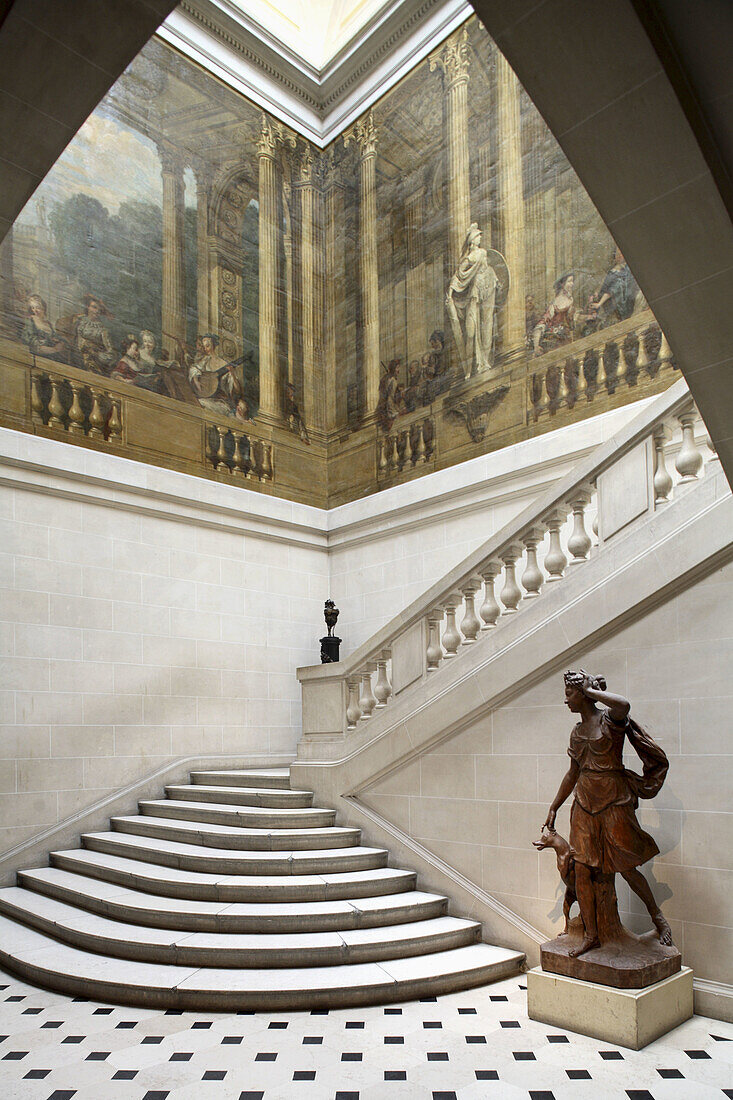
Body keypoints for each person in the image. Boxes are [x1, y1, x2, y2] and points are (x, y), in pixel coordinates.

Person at [543, 670, 673, 958]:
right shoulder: (576, 732)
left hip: (614, 800)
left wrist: (592, 691)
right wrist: (554, 806)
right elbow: (572, 773)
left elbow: (623, 705)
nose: (565, 701)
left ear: (583, 694)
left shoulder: (609, 721)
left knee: (627, 867)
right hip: (584, 802)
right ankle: (591, 935)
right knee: (583, 871)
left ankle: (657, 918)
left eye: (569, 694)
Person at [446, 223, 499, 377]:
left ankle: (485, 361)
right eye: (478, 235)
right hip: (476, 290)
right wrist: (450, 294)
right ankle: (475, 365)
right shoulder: (471, 257)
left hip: (488, 285)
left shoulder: (483, 252)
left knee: (487, 324)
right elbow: (458, 275)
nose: (481, 237)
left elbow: (488, 269)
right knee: (472, 329)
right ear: (473, 240)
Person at [188, 333, 241, 414]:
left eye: (208, 346)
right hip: (205, 397)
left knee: (201, 405)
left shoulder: (224, 364)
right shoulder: (205, 361)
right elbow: (193, 368)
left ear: (214, 345)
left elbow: (237, 390)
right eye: (204, 346)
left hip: (219, 401)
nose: (205, 349)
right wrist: (196, 380)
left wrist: (232, 374)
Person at [587, 248, 641, 326]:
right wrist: (597, 293)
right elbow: (604, 284)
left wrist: (599, 303)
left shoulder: (626, 271)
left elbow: (614, 289)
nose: (619, 256)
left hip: (618, 306)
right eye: (617, 253)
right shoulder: (613, 269)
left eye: (621, 254)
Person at [532, 274, 575, 355]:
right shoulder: (556, 302)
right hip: (556, 341)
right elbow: (542, 323)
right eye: (569, 281)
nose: (572, 284)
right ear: (562, 284)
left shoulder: (570, 299)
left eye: (572, 281)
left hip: (567, 340)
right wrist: (536, 345)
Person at [75, 294, 116, 374]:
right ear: (88, 307)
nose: (97, 311)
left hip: (94, 362)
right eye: (94, 307)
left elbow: (111, 353)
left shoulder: (102, 330)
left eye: (99, 309)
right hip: (77, 357)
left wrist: (96, 354)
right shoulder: (79, 321)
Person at [21, 294, 68, 362]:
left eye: (38, 307)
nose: (35, 310)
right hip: (37, 350)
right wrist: (46, 345)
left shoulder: (48, 323)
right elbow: (29, 338)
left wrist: (61, 341)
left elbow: (55, 336)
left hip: (50, 350)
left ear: (43, 308)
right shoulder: (30, 320)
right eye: (33, 308)